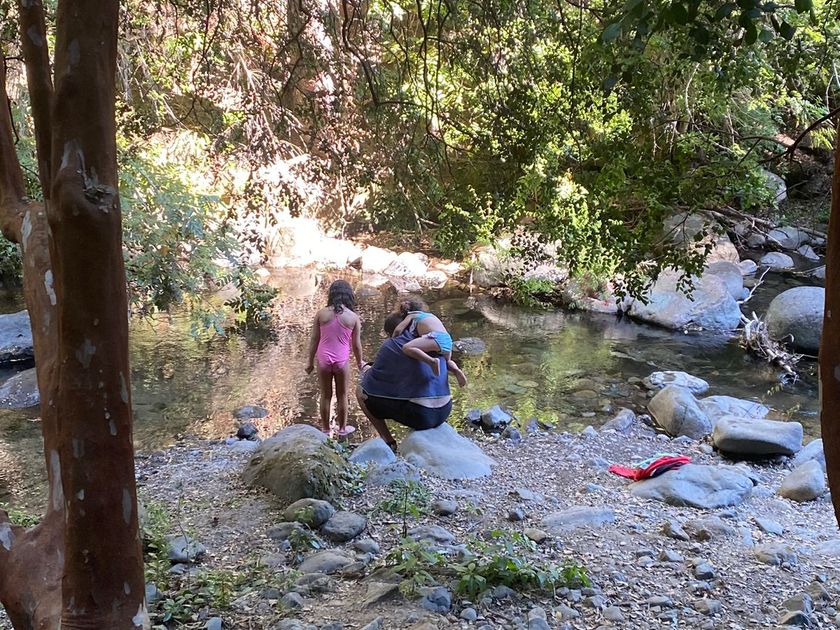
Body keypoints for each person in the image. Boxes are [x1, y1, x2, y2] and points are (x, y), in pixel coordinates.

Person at [357, 313, 463, 450]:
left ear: (390, 333)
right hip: (445, 411)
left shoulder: (392, 345)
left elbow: (371, 382)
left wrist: (366, 369)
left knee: (361, 391)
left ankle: (388, 441)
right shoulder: (433, 341)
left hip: (422, 415)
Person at [306, 280, 363, 436]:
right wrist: (360, 363)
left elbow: (314, 340)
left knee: (325, 395)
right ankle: (342, 429)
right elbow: (356, 345)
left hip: (323, 360)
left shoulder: (321, 314)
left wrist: (309, 362)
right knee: (342, 395)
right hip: (342, 360)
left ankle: (325, 429)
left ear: (331, 294)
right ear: (349, 295)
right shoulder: (353, 317)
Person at [392, 299, 467, 387]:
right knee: (448, 361)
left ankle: (431, 361)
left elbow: (398, 330)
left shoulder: (412, 315)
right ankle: (456, 370)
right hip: (447, 340)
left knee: (407, 348)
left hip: (436, 337)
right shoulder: (431, 315)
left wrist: (392, 340)